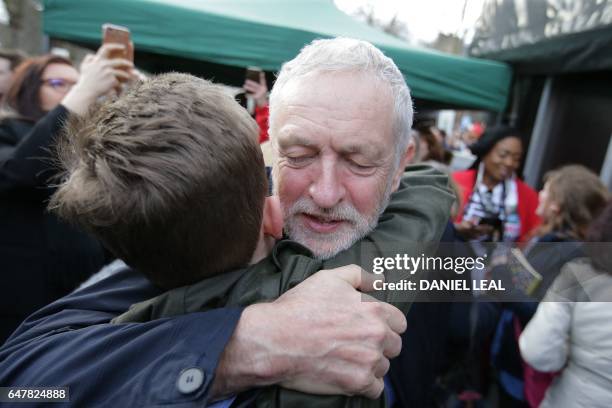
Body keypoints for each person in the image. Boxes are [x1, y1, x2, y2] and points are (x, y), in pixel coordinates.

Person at [0, 38, 444, 405]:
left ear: (402, 164)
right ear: (268, 150)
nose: (325, 194)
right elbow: (20, 383)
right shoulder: (201, 216)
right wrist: (242, 345)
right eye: (300, 155)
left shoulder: (451, 255)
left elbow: (495, 306)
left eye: (359, 161)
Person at [0, 46, 133, 343]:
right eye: (58, 84)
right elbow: (22, 170)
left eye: (77, 82)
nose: (74, 90)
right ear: (29, 89)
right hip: (22, 307)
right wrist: (84, 90)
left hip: (84, 302)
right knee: (24, 391)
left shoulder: (89, 141)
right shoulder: (8, 131)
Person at [486, 165, 610, 407]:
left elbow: (538, 307)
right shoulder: (550, 238)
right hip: (516, 354)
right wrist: (511, 265)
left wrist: (502, 279)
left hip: (529, 370)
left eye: (546, 190)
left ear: (557, 204)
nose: (539, 193)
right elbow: (534, 285)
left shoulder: (573, 253)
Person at [519, 200, 612, 408]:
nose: (539, 197)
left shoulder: (577, 270)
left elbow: (537, 349)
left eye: (547, 192)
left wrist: (569, 351)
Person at [453, 126, 540, 243]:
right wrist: (455, 229)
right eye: (503, 155)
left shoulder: (528, 196)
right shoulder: (455, 181)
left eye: (516, 158)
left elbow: (533, 238)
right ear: (485, 152)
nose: (509, 163)